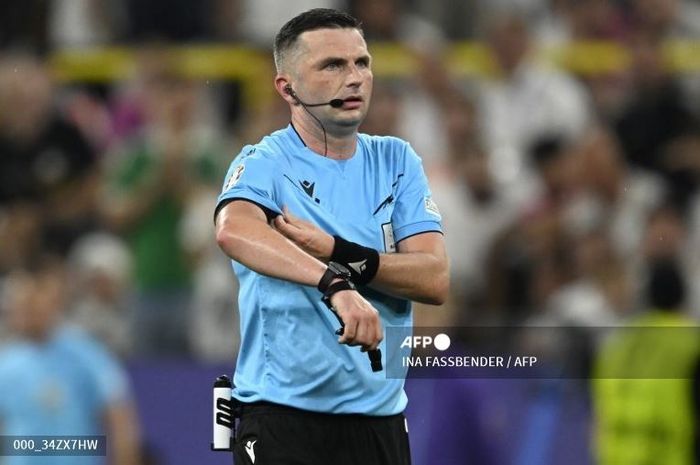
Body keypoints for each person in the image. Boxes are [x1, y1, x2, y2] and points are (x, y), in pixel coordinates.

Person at [214, 8, 448, 465]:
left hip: (379, 422)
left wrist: (340, 254)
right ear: (288, 88)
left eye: (362, 63)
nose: (355, 78)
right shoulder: (266, 161)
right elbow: (233, 230)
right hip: (283, 419)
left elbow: (434, 278)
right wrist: (333, 284)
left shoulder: (397, 161)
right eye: (332, 66)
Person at [0, 258, 141, 465]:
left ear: (52, 303)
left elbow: (117, 414)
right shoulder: (6, 362)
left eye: (35, 301)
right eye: (22, 303)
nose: (28, 310)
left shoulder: (86, 354)